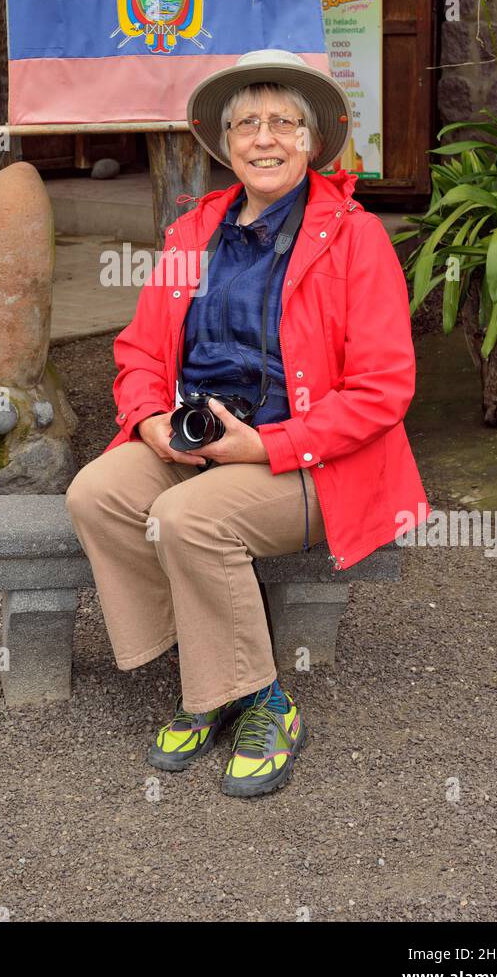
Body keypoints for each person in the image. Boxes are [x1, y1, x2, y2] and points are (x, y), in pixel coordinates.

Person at [65, 48, 430, 800]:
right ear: (226, 143)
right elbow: (137, 350)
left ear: (311, 141)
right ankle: (214, 677)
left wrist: (264, 442)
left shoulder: (356, 238)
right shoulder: (191, 232)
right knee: (94, 494)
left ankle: (262, 701)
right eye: (248, 125)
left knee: (186, 519)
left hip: (306, 460)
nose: (265, 138)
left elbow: (382, 390)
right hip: (196, 436)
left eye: (283, 124)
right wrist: (147, 422)